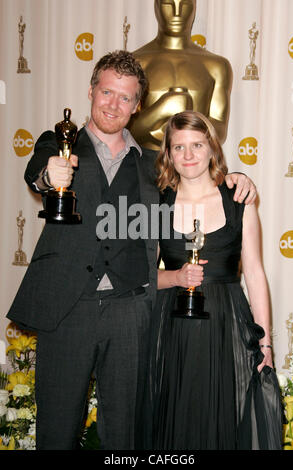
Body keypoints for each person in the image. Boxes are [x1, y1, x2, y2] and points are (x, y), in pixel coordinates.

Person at [7, 51, 256, 450]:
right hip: (67, 309)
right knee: (56, 431)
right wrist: (48, 174)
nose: (113, 104)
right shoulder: (59, 142)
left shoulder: (149, 167)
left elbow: (195, 176)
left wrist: (237, 179)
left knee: (124, 435)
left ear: (138, 105)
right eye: (106, 92)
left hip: (131, 312)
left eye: (125, 97)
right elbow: (39, 168)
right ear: (91, 91)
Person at [150, 110, 283, 450]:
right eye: (178, 148)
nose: (189, 155)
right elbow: (142, 276)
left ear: (212, 148)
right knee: (176, 420)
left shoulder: (239, 199)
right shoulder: (156, 203)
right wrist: (176, 276)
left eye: (197, 145)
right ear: (168, 153)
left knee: (225, 419)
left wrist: (265, 344)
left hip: (227, 327)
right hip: (171, 329)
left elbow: (254, 272)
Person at [129, 0, 232, 150]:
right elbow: (123, 128)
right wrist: (162, 108)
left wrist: (184, 139)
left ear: (194, 8)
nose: (177, 13)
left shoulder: (217, 66)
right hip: (142, 166)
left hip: (194, 166)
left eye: (185, 5)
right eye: (168, 4)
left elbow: (219, 129)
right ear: (156, 7)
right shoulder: (134, 63)